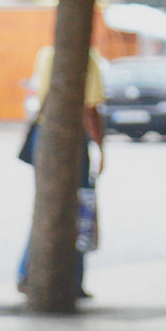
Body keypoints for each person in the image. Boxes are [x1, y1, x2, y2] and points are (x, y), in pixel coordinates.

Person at [17, 41, 107, 296]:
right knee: (78, 207)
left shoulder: (46, 54)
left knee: (49, 205)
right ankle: (68, 278)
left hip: (44, 137)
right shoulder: (87, 56)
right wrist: (101, 148)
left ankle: (31, 273)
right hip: (72, 138)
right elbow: (90, 109)